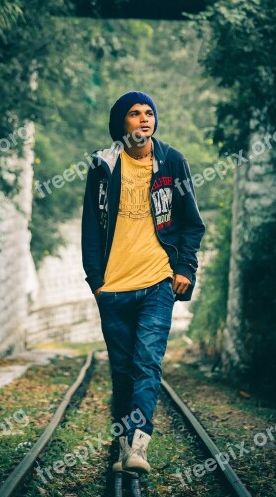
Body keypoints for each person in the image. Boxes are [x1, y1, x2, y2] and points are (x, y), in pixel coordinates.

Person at [81, 91, 206, 474]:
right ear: (122, 124)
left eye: (149, 113)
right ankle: (122, 449)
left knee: (147, 363)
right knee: (122, 370)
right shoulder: (102, 166)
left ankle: (138, 446)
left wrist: (184, 269)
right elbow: (89, 227)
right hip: (113, 289)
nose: (143, 119)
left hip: (157, 283)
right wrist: (96, 282)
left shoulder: (172, 162)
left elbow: (190, 223)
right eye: (134, 114)